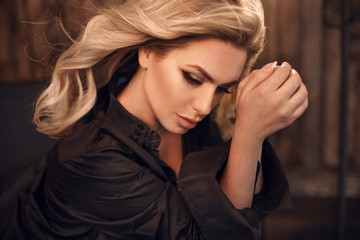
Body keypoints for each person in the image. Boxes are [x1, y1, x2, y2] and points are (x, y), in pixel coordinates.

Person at [0, 0, 308, 239]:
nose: (204, 106)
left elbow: (239, 213)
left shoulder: (184, 118)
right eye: (193, 77)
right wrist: (249, 134)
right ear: (147, 52)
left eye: (222, 88)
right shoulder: (92, 159)